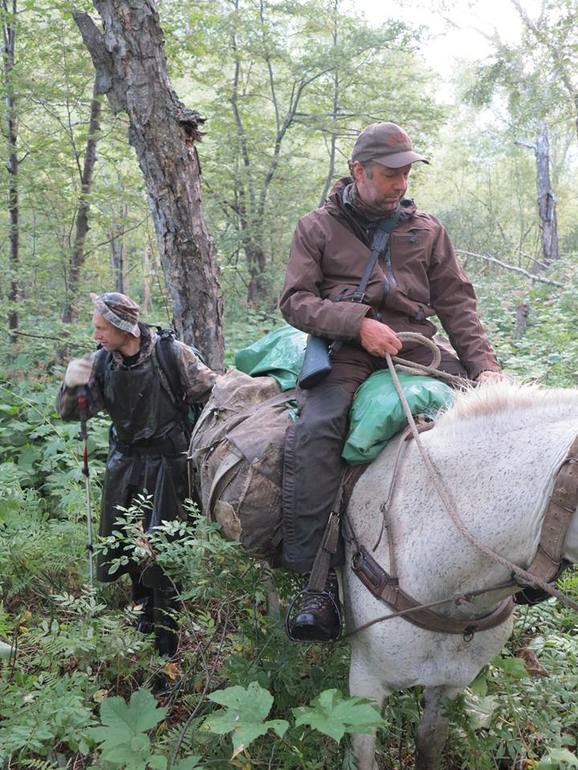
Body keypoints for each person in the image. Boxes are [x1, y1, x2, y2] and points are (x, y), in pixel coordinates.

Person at [279, 121, 506, 642]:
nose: (401, 183)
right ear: (359, 171)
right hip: (347, 352)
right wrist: (356, 323)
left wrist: (484, 369)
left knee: (494, 423)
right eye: (389, 174)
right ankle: (316, 583)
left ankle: (505, 561)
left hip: (418, 349)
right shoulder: (316, 227)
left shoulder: (426, 229)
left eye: (406, 173)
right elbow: (295, 301)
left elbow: (457, 305)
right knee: (316, 431)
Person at [57, 292, 216, 655]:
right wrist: (71, 385)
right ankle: (144, 611)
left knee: (164, 547)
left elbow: (213, 391)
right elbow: (74, 414)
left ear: (122, 327)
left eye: (100, 328)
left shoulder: (171, 355)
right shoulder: (101, 362)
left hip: (168, 463)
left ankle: (167, 634)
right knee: (125, 543)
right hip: (124, 462)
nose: (95, 334)